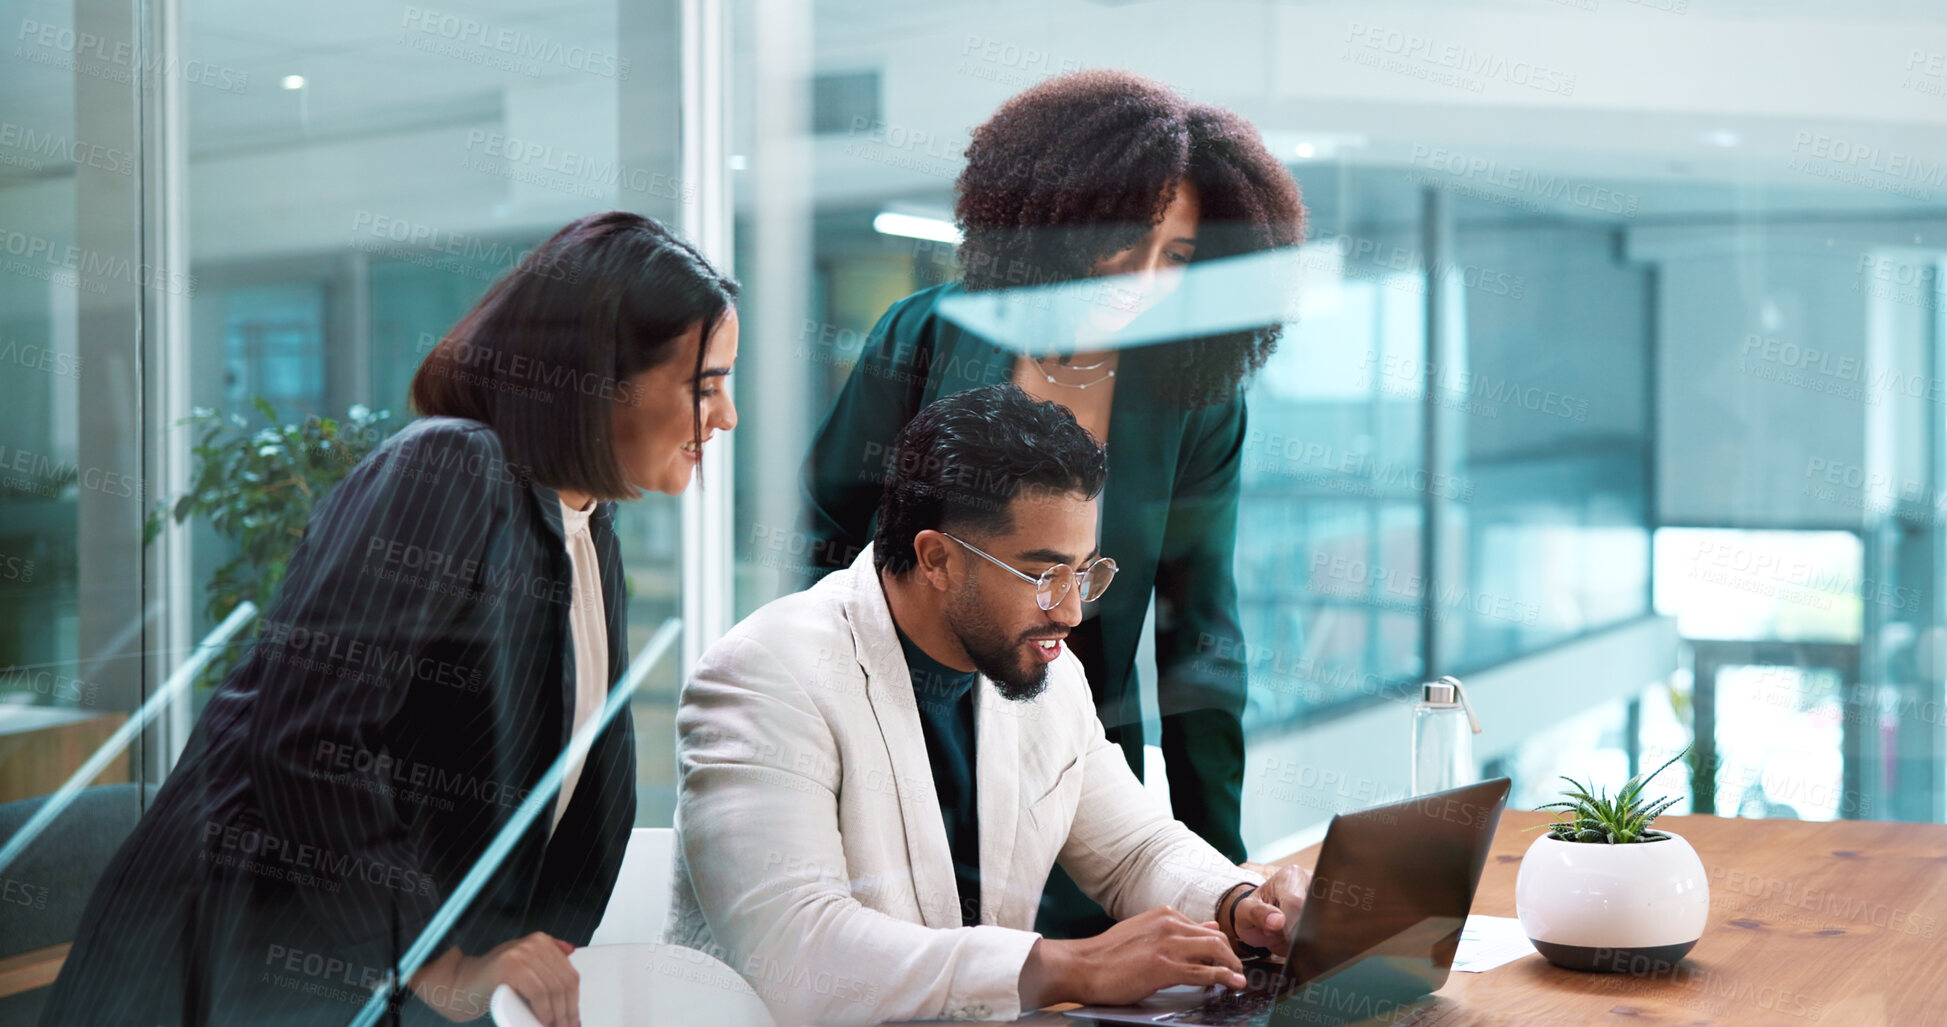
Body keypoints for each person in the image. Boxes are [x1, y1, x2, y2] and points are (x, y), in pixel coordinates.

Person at [40, 211, 739, 1027]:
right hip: (241, 966)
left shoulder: (586, 530)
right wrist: (433, 962)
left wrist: (516, 971)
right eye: (704, 385)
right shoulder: (452, 465)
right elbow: (309, 739)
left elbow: (566, 796)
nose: (724, 418)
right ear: (596, 376)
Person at [799, 70, 1305, 937]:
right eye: (1126, 238)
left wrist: (1225, 879)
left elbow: (1199, 638)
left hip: (1077, 766)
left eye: (1178, 257)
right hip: (901, 739)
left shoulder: (1196, 395)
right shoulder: (923, 334)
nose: (1140, 279)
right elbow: (827, 542)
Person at [672, 384, 1310, 1026]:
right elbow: (799, 957)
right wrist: (1074, 967)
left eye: (1084, 572)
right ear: (937, 558)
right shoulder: (764, 674)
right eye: (1044, 576)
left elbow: (1135, 850)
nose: (1070, 610)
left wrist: (1241, 904)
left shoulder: (1044, 669)